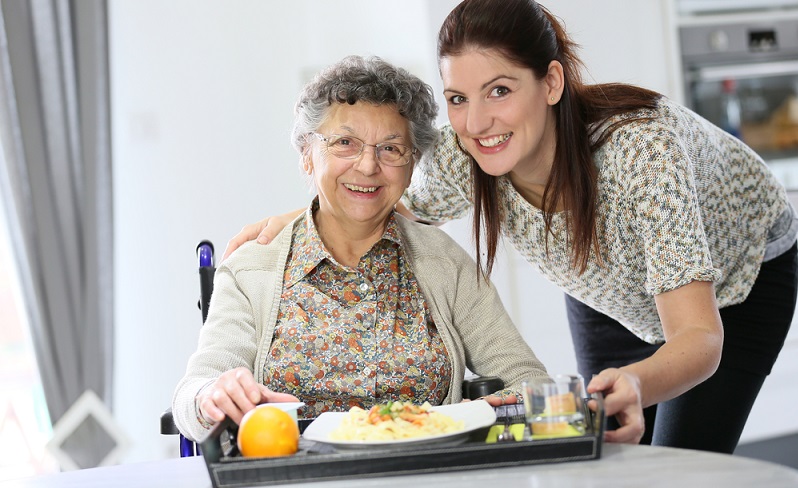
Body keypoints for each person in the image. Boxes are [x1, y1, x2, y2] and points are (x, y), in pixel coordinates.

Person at [222, 0, 798, 454]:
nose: (477, 123)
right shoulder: (463, 153)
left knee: (674, 464)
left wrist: (641, 384)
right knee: (606, 454)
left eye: (499, 90)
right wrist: (295, 219)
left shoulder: (638, 152)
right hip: (605, 289)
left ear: (550, 83)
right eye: (457, 98)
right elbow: (385, 198)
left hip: (736, 281)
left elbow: (699, 338)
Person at [172, 54, 548, 443]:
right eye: (345, 143)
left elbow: (529, 383)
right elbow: (193, 395)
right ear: (306, 156)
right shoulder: (253, 270)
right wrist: (210, 397)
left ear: (411, 163)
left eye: (391, 148)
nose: (368, 165)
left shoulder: (444, 261)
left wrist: (460, 419)